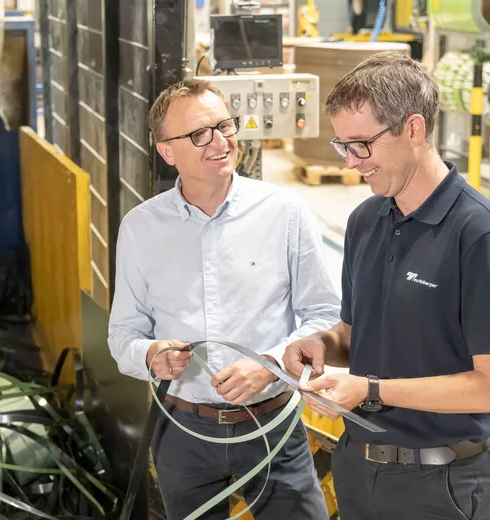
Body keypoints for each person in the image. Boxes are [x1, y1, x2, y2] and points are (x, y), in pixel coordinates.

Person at [282, 52, 490, 520]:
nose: (353, 162)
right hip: (358, 471)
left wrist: (369, 390)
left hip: (441, 486)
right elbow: (355, 337)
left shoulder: (481, 235)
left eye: (362, 145)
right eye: (343, 147)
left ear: (413, 129)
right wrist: (321, 345)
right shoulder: (365, 221)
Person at [108, 78, 340, 519]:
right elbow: (123, 335)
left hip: (271, 425)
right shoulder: (141, 228)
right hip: (181, 431)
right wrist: (151, 354)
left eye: (225, 126)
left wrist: (269, 364)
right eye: (199, 134)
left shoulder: (284, 212)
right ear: (166, 151)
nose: (219, 141)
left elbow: (324, 315)